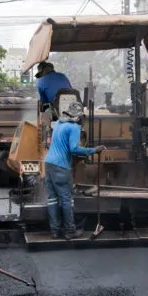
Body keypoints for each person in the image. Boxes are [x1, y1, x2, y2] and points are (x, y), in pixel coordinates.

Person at [43, 99, 105, 240]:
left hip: (49, 164)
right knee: (66, 200)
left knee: (52, 199)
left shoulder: (59, 123)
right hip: (61, 166)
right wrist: (94, 150)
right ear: (79, 116)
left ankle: (55, 231)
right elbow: (74, 149)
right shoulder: (74, 127)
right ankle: (70, 231)